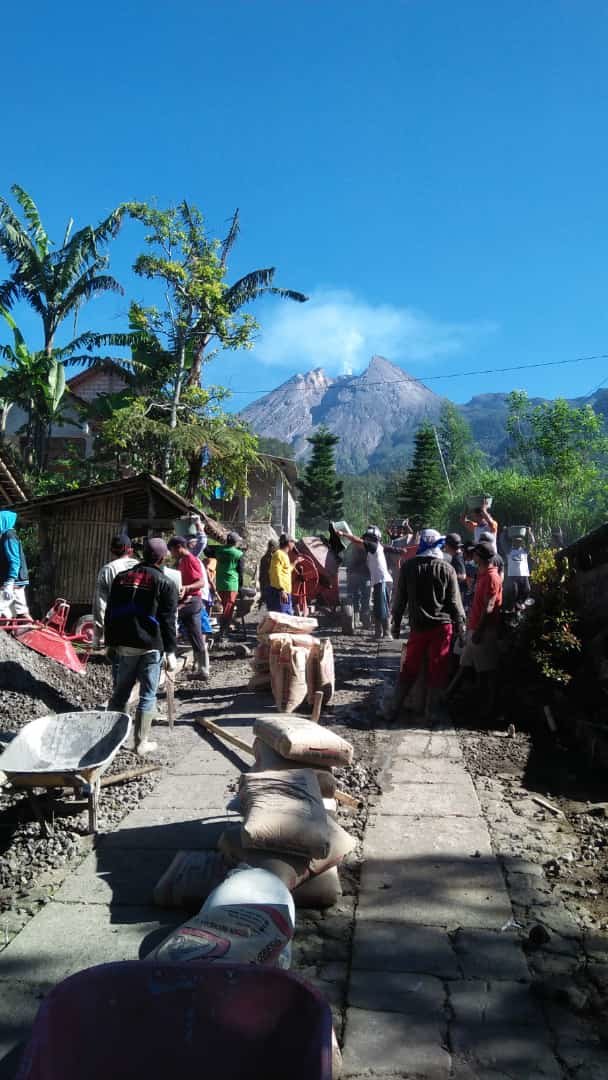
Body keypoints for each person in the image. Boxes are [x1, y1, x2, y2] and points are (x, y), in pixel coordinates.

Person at [105, 537, 178, 756]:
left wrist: (110, 643)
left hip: (124, 645)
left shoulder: (121, 578)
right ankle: (140, 743)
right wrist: (171, 651)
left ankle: (111, 742)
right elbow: (168, 620)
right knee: (148, 694)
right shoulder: (165, 583)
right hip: (150, 646)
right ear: (163, 557)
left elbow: (110, 612)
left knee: (120, 694)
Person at [386, 529, 465, 721]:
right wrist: (461, 628)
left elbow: (399, 600)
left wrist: (395, 626)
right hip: (442, 628)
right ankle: (431, 713)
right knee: (437, 670)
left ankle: (393, 710)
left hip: (418, 628)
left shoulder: (408, 567)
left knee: (409, 669)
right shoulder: (447, 569)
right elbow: (455, 603)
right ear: (439, 545)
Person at [458, 540, 503, 712]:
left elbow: (489, 607)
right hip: (475, 629)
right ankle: (453, 696)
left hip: (482, 631)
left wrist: (479, 631)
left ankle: (488, 708)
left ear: (480, 557)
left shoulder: (492, 577)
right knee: (466, 667)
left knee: (486, 673)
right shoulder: (483, 573)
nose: (472, 556)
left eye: (475, 553)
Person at [337, 526, 393, 639]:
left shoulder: (373, 546)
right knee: (378, 608)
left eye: (368, 538)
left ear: (374, 538)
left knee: (383, 608)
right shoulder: (374, 548)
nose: (366, 540)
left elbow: (358, 541)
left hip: (382, 581)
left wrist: (343, 534)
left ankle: (387, 633)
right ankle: (378, 633)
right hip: (378, 581)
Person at [167, 536, 210, 679]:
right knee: (195, 635)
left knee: (169, 618)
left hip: (192, 600)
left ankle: (168, 655)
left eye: (172, 550)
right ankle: (202, 670)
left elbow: (201, 582)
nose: (171, 554)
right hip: (189, 600)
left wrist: (187, 587)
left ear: (179, 547)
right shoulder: (182, 561)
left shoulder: (191, 560)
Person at [92, 535, 137, 648]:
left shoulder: (108, 570)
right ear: (129, 549)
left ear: (112, 551)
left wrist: (99, 634)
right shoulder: (142, 567)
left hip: (118, 625)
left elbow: (100, 605)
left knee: (118, 661)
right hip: (141, 626)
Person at [212, 532, 244, 641]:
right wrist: (241, 585)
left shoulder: (219, 551)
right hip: (232, 583)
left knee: (222, 607)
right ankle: (223, 632)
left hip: (220, 583)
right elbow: (240, 571)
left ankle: (223, 630)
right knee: (228, 608)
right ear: (235, 542)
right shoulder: (238, 554)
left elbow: (208, 550)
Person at [0, 510, 30, 620]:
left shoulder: (9, 536)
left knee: (7, 610)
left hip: (14, 580)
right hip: (16, 579)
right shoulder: (6, 535)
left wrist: (10, 581)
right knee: (21, 612)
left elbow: (14, 560)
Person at [343, 539, 371, 629]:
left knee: (354, 598)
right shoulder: (368, 547)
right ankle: (366, 622)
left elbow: (346, 561)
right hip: (365, 576)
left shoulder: (352, 547)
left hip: (353, 575)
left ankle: (355, 621)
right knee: (366, 599)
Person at [268, 534, 297, 613]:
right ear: (288, 543)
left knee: (287, 616)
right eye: (293, 542)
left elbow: (285, 571)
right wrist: (281, 590)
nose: (294, 544)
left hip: (286, 591)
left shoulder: (284, 555)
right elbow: (275, 573)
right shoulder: (278, 554)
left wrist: (295, 563)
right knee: (282, 617)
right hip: (280, 592)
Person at [506, 535, 531, 609]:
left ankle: (521, 604)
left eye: (520, 541)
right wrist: (505, 532)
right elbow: (502, 541)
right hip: (513, 575)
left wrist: (529, 533)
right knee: (514, 592)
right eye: (516, 541)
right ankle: (515, 607)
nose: (518, 543)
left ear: (521, 542)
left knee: (527, 589)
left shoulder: (524, 551)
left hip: (523, 574)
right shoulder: (509, 550)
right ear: (513, 542)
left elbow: (532, 542)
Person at [444, 532, 467, 600]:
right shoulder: (457, 556)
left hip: (458, 593)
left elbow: (462, 576)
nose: (444, 546)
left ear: (448, 546)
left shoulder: (457, 558)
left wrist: (447, 576)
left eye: (445, 544)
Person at [258, 539, 278, 607]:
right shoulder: (273, 558)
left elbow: (261, 574)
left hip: (265, 584)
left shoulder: (264, 558)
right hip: (270, 584)